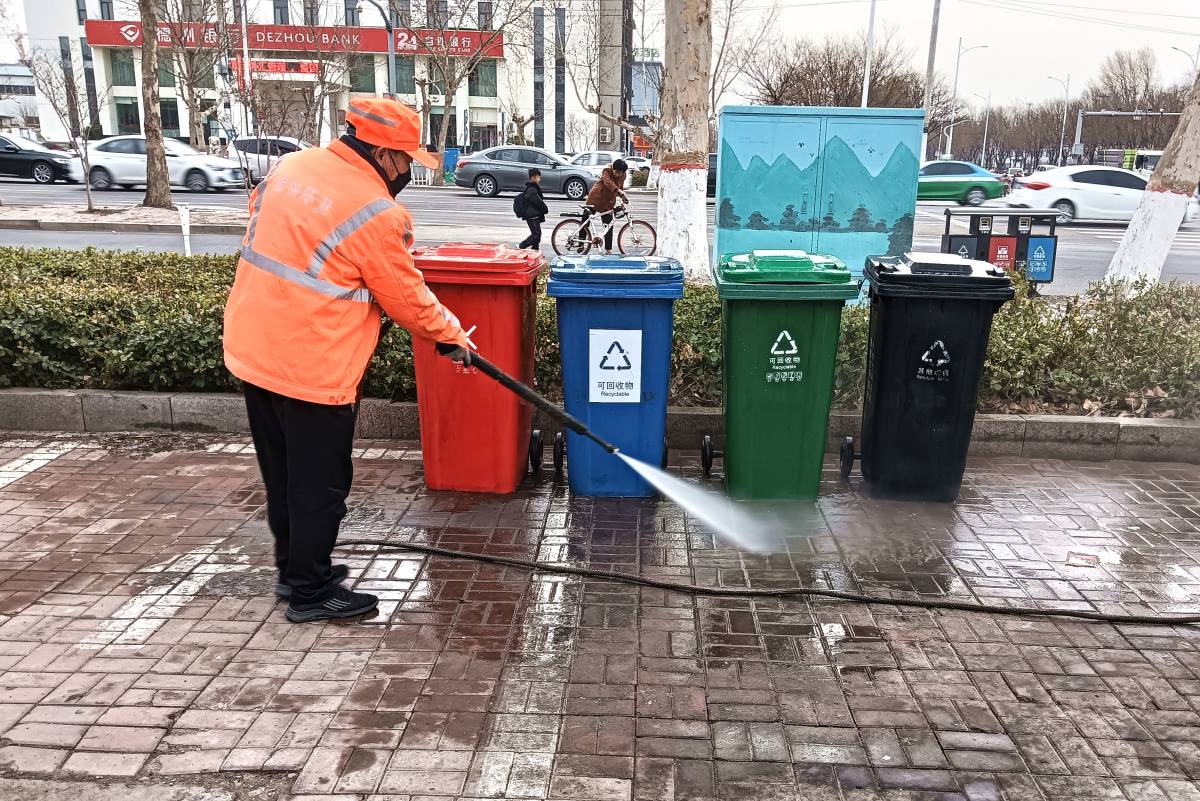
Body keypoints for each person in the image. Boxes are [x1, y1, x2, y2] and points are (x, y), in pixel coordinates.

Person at [223, 98, 472, 624]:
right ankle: (311, 593)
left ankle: (298, 572)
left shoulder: (293, 168)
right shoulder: (376, 212)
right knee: (320, 486)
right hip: (311, 363)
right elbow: (407, 297)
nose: (407, 172)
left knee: (285, 476)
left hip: (254, 347)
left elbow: (267, 227)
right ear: (382, 154)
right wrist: (451, 337)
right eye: (405, 161)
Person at [582, 158, 629, 254]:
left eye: (620, 173)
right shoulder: (606, 171)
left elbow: (620, 188)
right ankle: (580, 243)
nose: (618, 174)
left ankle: (608, 250)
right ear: (613, 168)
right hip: (595, 198)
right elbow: (608, 183)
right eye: (616, 172)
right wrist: (619, 191)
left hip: (608, 203)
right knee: (585, 221)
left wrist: (622, 196)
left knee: (608, 226)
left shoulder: (623, 175)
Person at [516, 167, 549, 250]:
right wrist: (545, 209)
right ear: (533, 177)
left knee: (537, 234)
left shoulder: (533, 188)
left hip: (533, 214)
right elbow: (537, 201)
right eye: (538, 176)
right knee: (536, 234)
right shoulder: (532, 189)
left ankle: (535, 250)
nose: (539, 178)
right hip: (531, 215)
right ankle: (521, 246)